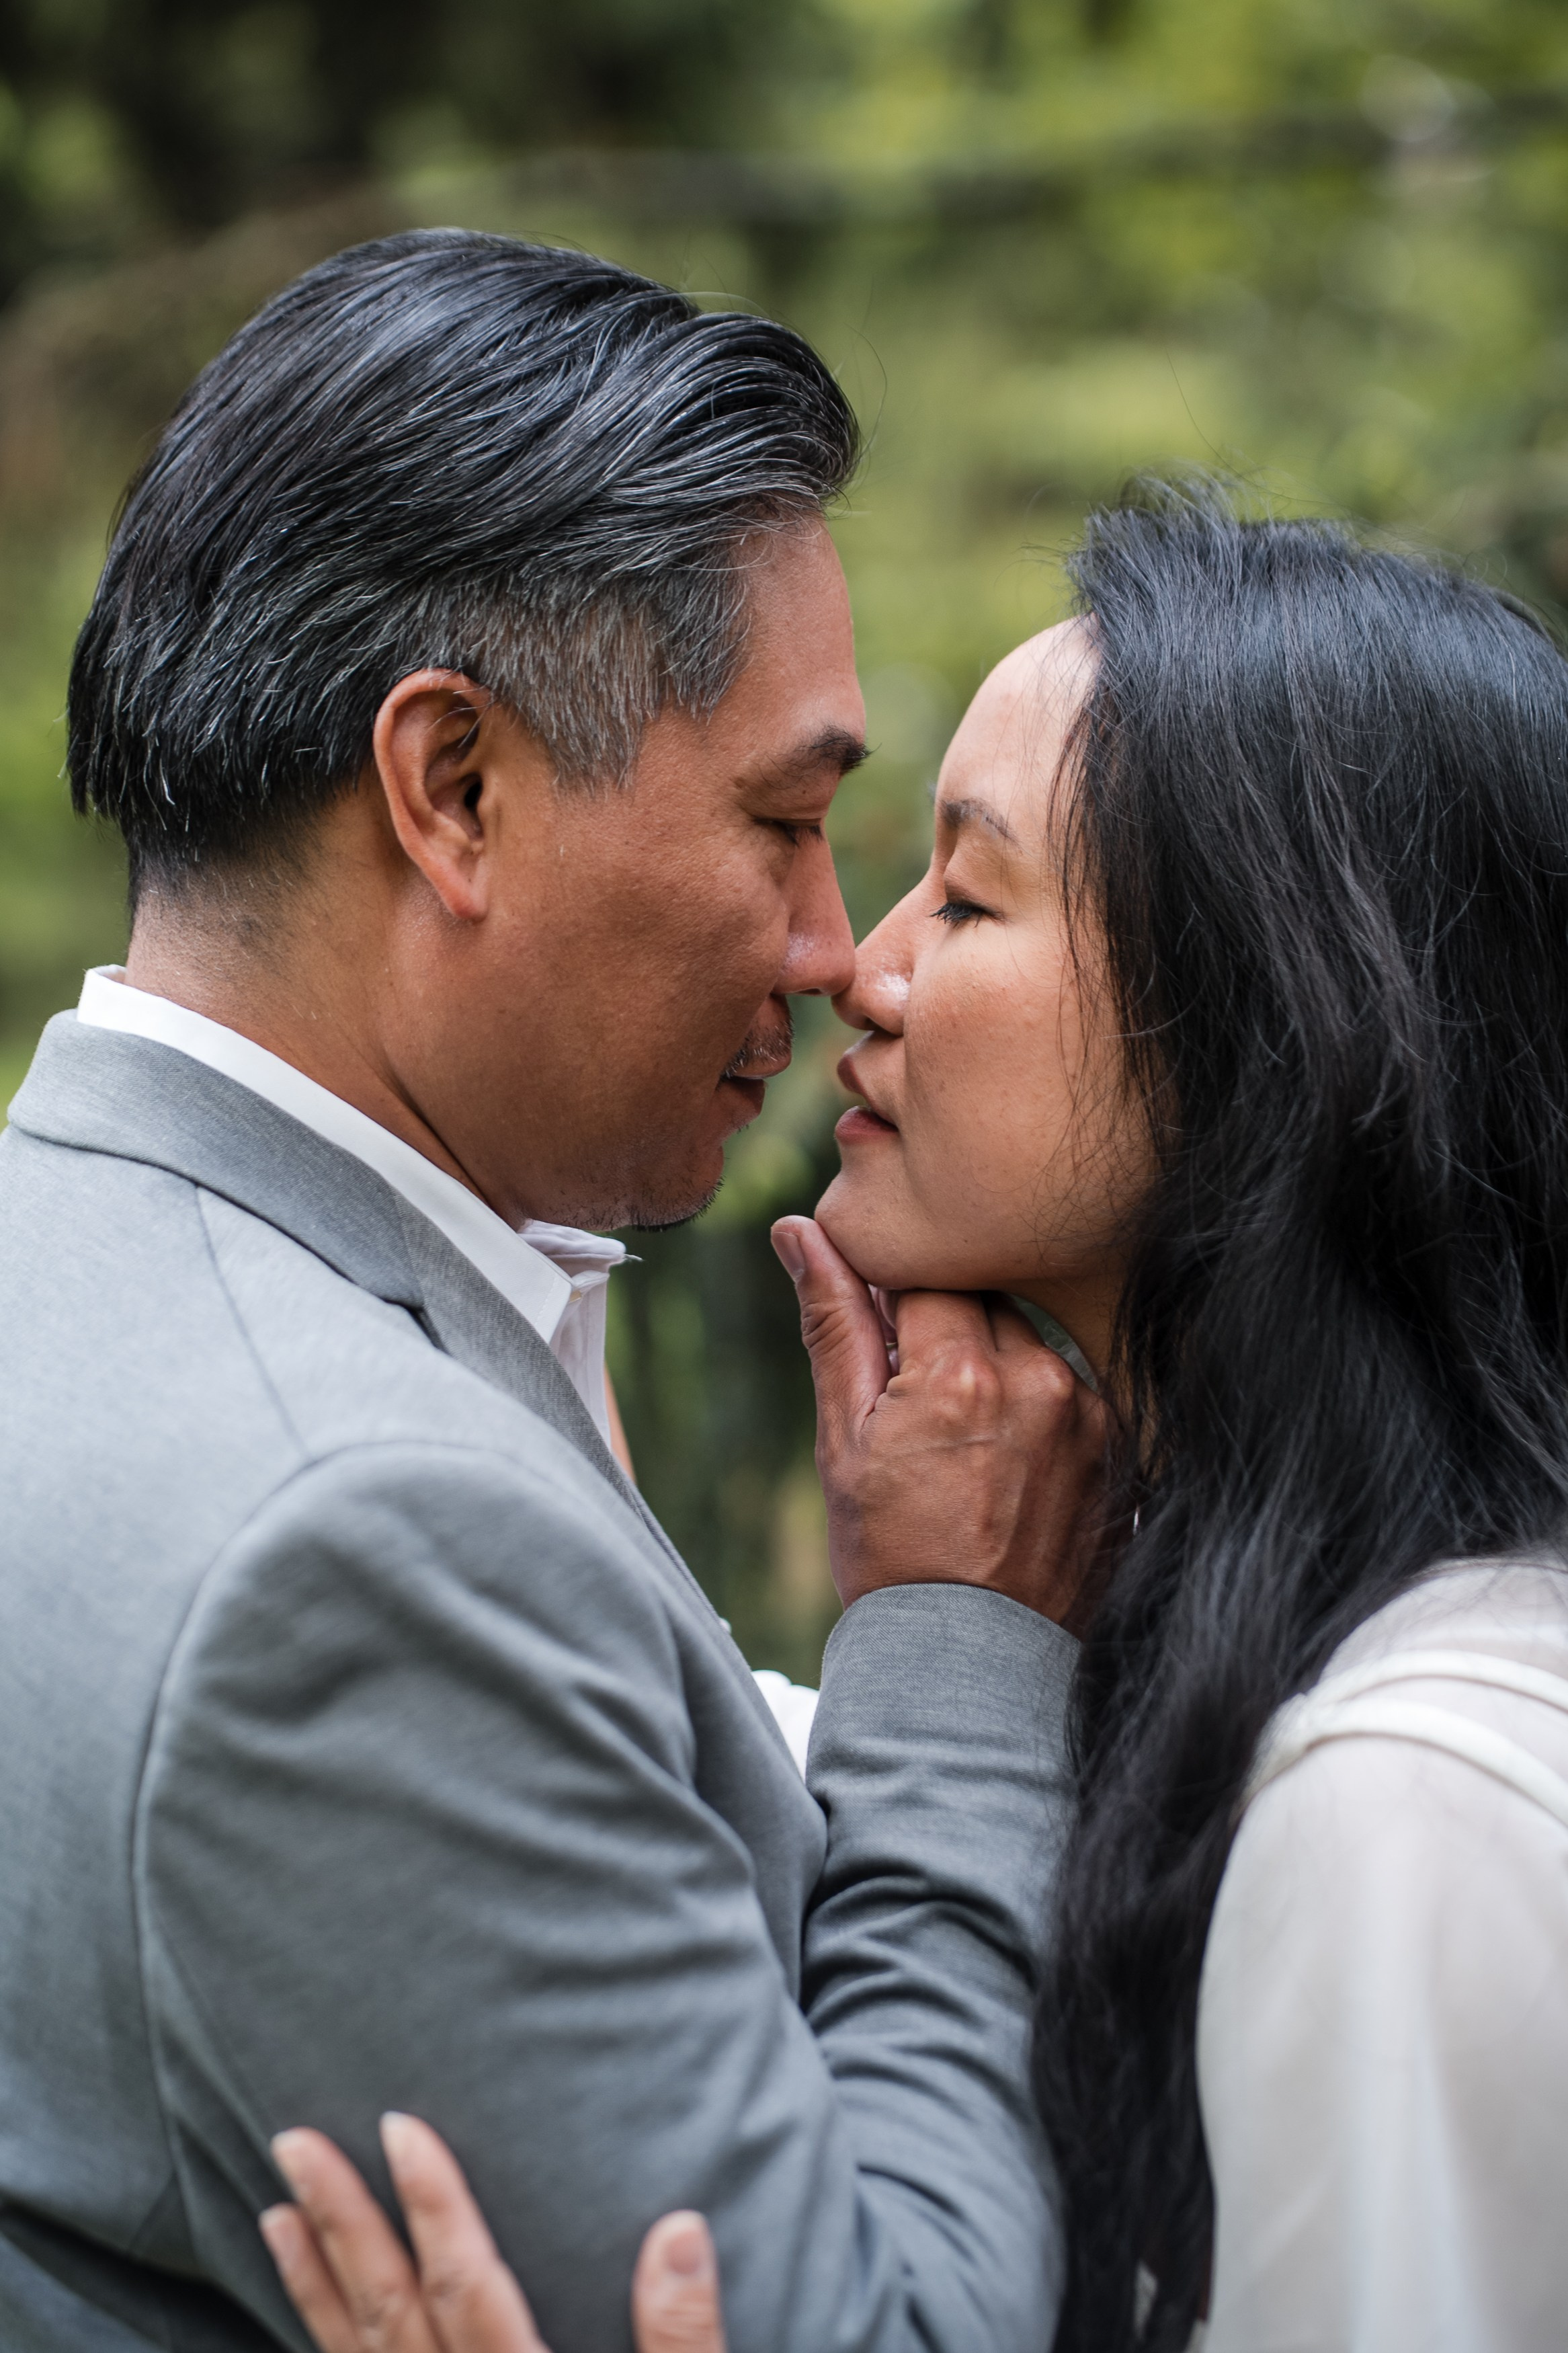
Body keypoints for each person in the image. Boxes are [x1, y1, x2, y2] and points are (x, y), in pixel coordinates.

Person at [276, 487, 1568, 2353]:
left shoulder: (1414, 1799)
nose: (858, 967)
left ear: (1269, 1025)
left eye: (966, 892)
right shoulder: (1203, 1665)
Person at [0, 231, 1114, 2353]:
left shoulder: (80, 1254)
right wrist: (962, 1655)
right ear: (456, 791)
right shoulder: (353, 1544)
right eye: (789, 820)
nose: (835, 941)